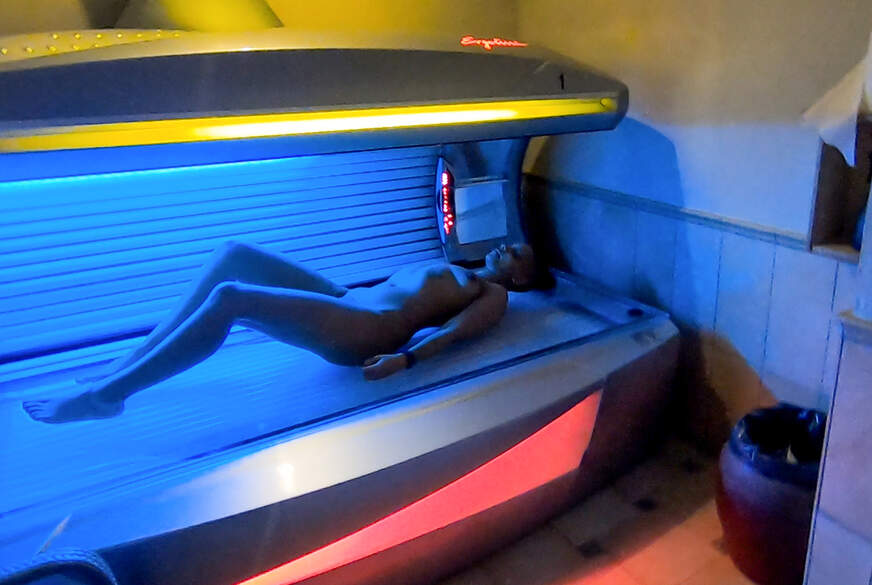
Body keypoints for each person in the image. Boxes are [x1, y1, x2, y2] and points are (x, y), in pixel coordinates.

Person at [24, 240, 541, 423]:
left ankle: (107, 396)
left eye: (517, 253)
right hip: (349, 300)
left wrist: (405, 360)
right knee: (234, 254)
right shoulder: (462, 264)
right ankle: (122, 367)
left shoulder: (492, 295)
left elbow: (456, 333)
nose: (506, 248)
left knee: (231, 298)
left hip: (370, 330)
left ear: (520, 279)